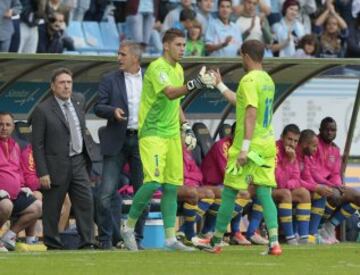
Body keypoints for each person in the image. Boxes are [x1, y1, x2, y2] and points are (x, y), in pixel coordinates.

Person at [121, 28, 214, 251]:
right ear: (166, 46)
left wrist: (186, 126)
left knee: (172, 187)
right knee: (153, 182)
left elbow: (176, 102)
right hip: (153, 132)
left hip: (172, 134)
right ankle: (128, 226)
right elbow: (170, 93)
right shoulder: (157, 68)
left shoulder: (179, 69)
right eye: (179, 45)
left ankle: (170, 238)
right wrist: (196, 84)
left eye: (184, 45)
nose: (183, 49)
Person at [206, 40, 281, 255]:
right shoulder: (267, 80)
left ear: (246, 55)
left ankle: (216, 241)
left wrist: (245, 147)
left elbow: (250, 112)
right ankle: (274, 242)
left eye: (241, 56)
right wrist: (220, 85)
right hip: (267, 145)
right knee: (265, 194)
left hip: (249, 145)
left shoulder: (248, 80)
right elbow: (240, 102)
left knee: (229, 191)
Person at [31, 67, 95, 250]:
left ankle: (87, 242)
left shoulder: (79, 100)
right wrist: (42, 172)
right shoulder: (42, 110)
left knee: (85, 203)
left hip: (78, 161)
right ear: (53, 86)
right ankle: (52, 243)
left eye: (69, 82)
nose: (66, 86)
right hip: (55, 165)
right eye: (62, 83)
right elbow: (37, 145)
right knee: (52, 208)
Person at [94, 41, 148, 250]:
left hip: (142, 142)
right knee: (106, 193)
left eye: (122, 54)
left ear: (135, 57)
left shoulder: (149, 80)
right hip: (117, 139)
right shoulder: (109, 79)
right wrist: (112, 112)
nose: (118, 58)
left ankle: (138, 240)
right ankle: (106, 240)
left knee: (142, 192)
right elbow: (99, 106)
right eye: (118, 54)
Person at [311, 117, 360, 243]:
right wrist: (333, 186)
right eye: (327, 129)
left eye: (333, 130)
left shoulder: (335, 149)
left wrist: (338, 185)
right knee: (335, 194)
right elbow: (312, 171)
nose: (329, 132)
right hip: (314, 184)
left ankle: (329, 226)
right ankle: (318, 228)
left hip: (331, 185)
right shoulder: (313, 145)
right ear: (320, 129)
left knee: (356, 197)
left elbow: (335, 173)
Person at [0, 112, 42, 252]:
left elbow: (18, 171)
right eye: (0, 124)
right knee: (6, 205)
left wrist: (23, 186)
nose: (4, 128)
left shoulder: (16, 146)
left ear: (13, 127)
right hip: (2, 196)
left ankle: (9, 236)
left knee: (37, 205)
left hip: (15, 194)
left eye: (8, 125)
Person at [275, 124, 312, 244]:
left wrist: (288, 184)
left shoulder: (293, 153)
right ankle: (290, 237)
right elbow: (278, 182)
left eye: (295, 141)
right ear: (282, 137)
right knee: (286, 193)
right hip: (267, 189)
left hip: (283, 188)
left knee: (304, 193)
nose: (292, 144)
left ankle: (304, 238)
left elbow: (296, 179)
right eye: (289, 139)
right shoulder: (274, 150)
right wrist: (290, 160)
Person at [296, 129, 334, 244]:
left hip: (297, 188)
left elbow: (308, 177)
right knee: (307, 193)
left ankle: (312, 234)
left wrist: (321, 187)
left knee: (320, 193)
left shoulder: (306, 157)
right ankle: (300, 234)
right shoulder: (294, 155)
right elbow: (295, 180)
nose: (316, 149)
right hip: (288, 187)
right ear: (304, 144)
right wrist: (316, 187)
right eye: (314, 146)